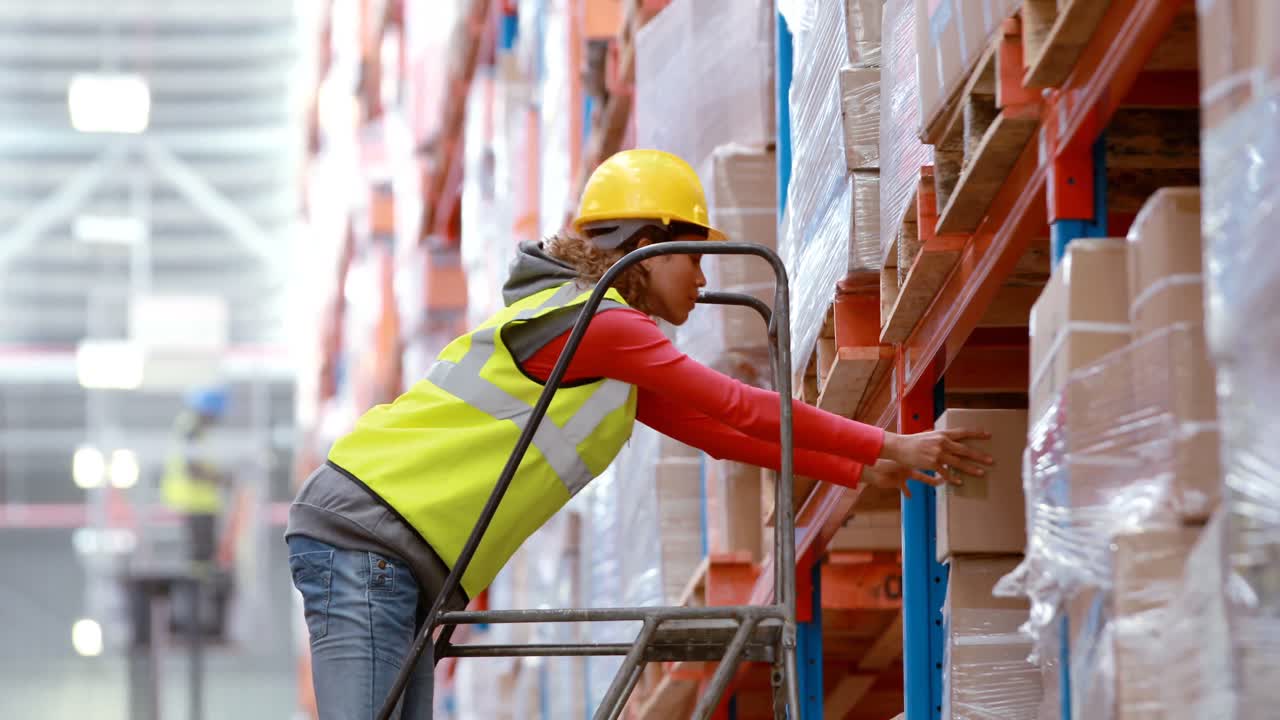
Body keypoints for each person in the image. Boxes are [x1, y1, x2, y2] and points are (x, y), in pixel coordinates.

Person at [285, 149, 993, 719]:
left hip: (392, 556)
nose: (701, 277)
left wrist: (857, 471)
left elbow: (718, 433)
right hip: (367, 541)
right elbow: (738, 405)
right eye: (693, 257)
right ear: (646, 249)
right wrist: (886, 445)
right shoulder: (603, 325)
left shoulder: (598, 343)